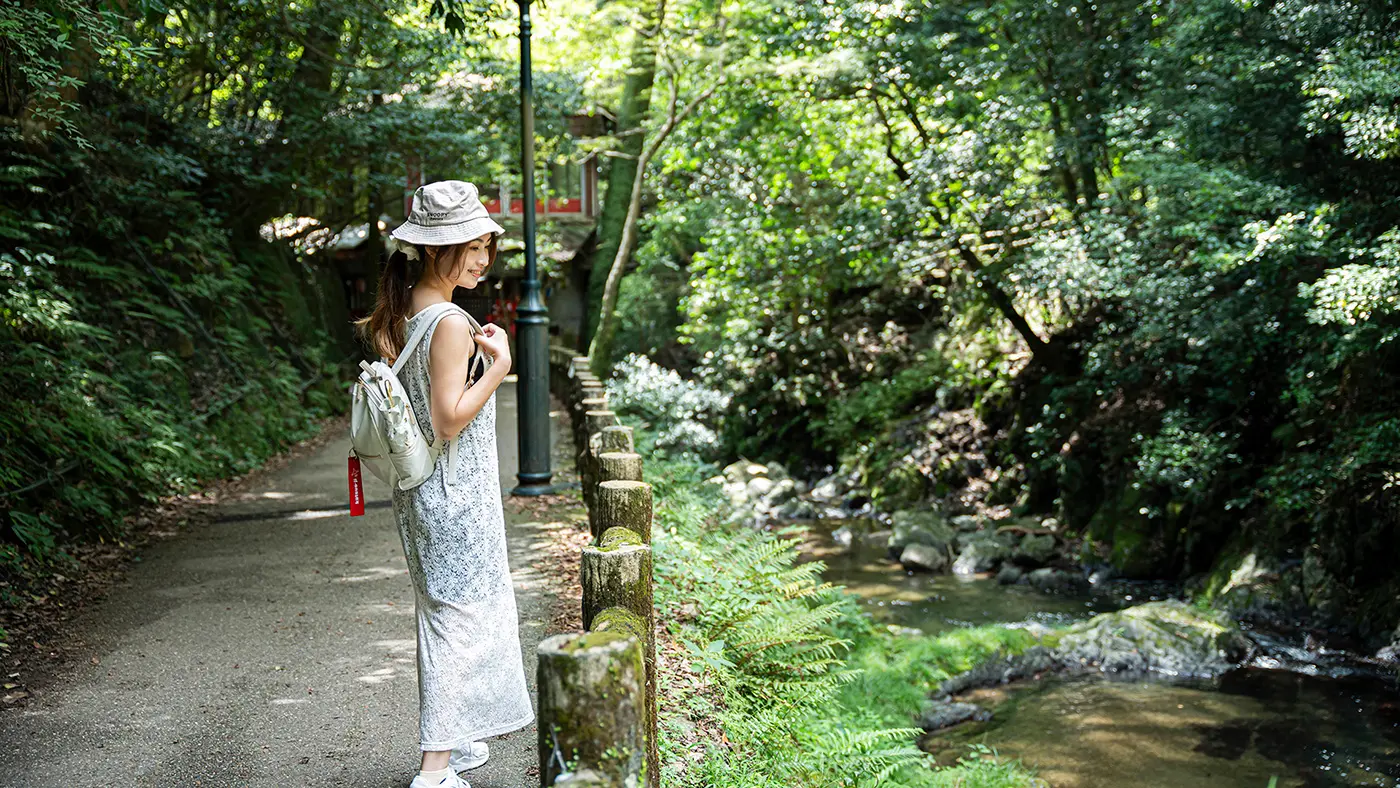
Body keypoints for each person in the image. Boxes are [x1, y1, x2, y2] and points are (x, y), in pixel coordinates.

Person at [356, 180, 535, 788]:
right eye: (473, 246)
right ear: (438, 249)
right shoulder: (452, 322)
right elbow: (451, 416)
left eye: (487, 245)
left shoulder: (410, 310)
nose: (485, 259)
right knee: (459, 617)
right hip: (454, 494)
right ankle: (435, 768)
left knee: (444, 611)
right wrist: (502, 367)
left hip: (424, 492)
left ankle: (454, 744)